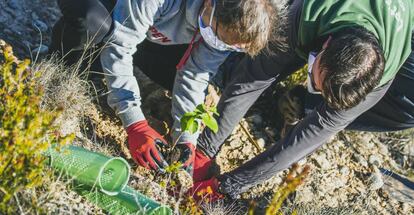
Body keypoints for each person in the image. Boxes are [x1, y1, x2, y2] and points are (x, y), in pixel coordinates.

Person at [192, 0, 414, 201]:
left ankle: (300, 102)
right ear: (326, 45)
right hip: (315, 20)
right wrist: (204, 149)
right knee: (262, 59)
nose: (316, 87)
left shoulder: (376, 82)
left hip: (399, 23)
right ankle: (228, 62)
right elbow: (252, 80)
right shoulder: (309, 14)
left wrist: (229, 185)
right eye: (317, 82)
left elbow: (307, 138)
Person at [50, 0, 279, 173]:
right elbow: (120, 45)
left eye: (229, 46)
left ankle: (102, 63)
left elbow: (194, 74)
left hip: (141, 23)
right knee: (93, 22)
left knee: (175, 73)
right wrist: (135, 122)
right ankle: (61, 66)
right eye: (219, 37)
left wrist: (186, 137)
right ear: (211, 4)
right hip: (103, 8)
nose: (218, 45)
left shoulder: (222, 25)